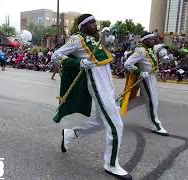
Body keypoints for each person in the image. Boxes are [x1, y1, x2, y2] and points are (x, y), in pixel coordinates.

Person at [52, 14, 132, 180]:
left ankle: (71, 133)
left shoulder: (96, 40)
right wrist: (78, 63)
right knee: (116, 124)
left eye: (95, 22)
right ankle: (111, 164)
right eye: (91, 23)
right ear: (82, 26)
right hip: (97, 85)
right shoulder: (76, 39)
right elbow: (56, 56)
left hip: (107, 85)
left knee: (102, 121)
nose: (95, 25)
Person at [122, 32, 169, 136]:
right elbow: (127, 64)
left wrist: (164, 50)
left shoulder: (152, 48)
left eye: (153, 39)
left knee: (149, 100)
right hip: (145, 77)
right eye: (150, 39)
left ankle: (116, 110)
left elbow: (161, 46)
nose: (153, 40)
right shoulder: (141, 51)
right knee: (152, 101)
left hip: (152, 77)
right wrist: (139, 72)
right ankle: (155, 124)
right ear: (144, 40)